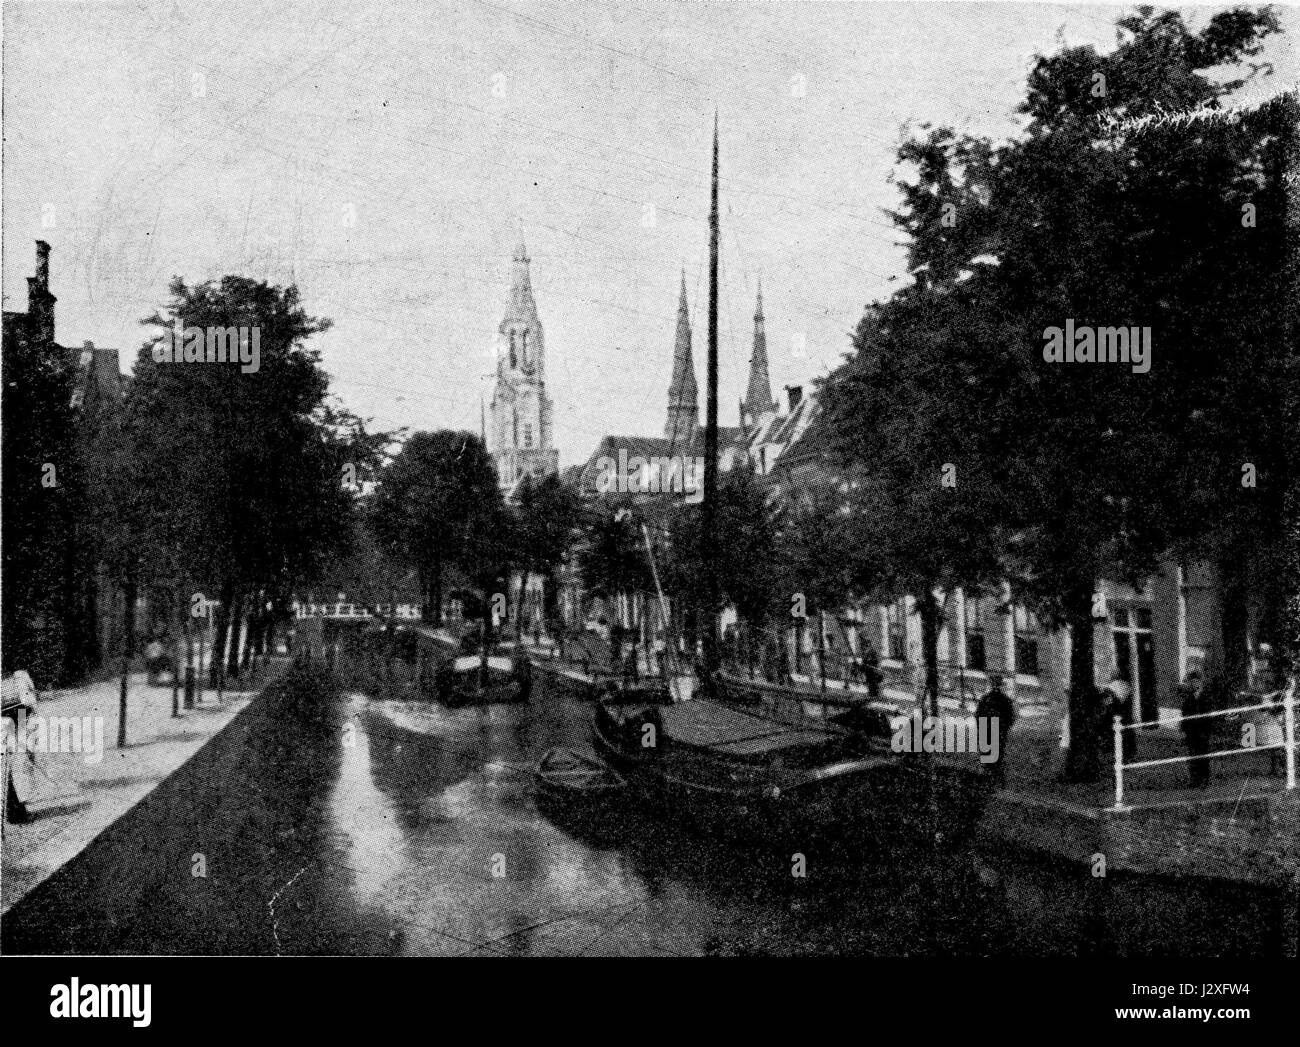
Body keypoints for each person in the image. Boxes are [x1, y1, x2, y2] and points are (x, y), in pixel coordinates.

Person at [974, 674, 1015, 785]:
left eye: (996, 685)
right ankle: (995, 779)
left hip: (992, 730)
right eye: (994, 685)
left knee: (991, 756)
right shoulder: (1003, 700)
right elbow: (1010, 718)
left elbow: (978, 715)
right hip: (993, 730)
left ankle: (993, 778)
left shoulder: (988, 699)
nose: (995, 687)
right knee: (994, 756)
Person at [1181, 670, 1212, 788]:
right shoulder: (1188, 698)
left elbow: (1209, 714)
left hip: (1203, 731)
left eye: (1196, 682)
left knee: (1203, 755)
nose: (1194, 684)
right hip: (1192, 732)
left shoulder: (1206, 697)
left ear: (1200, 682)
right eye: (1192, 682)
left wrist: (1207, 730)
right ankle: (1195, 779)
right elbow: (1185, 714)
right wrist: (1185, 729)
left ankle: (1204, 779)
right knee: (1193, 755)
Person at [1101, 675, 1136, 762]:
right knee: (1126, 733)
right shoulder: (1127, 686)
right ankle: (1128, 753)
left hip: (1114, 713)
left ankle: (1114, 752)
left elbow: (1108, 703)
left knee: (1113, 733)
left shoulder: (1110, 687)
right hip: (1124, 713)